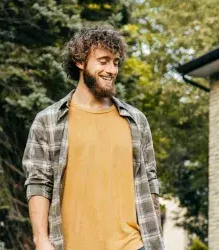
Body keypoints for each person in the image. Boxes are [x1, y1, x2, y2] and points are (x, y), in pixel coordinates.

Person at [22, 26, 164, 250]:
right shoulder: (48, 121)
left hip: (133, 245)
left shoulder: (136, 121)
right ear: (80, 61)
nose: (112, 70)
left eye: (116, 62)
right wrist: (41, 240)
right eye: (103, 61)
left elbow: (150, 181)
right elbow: (39, 183)